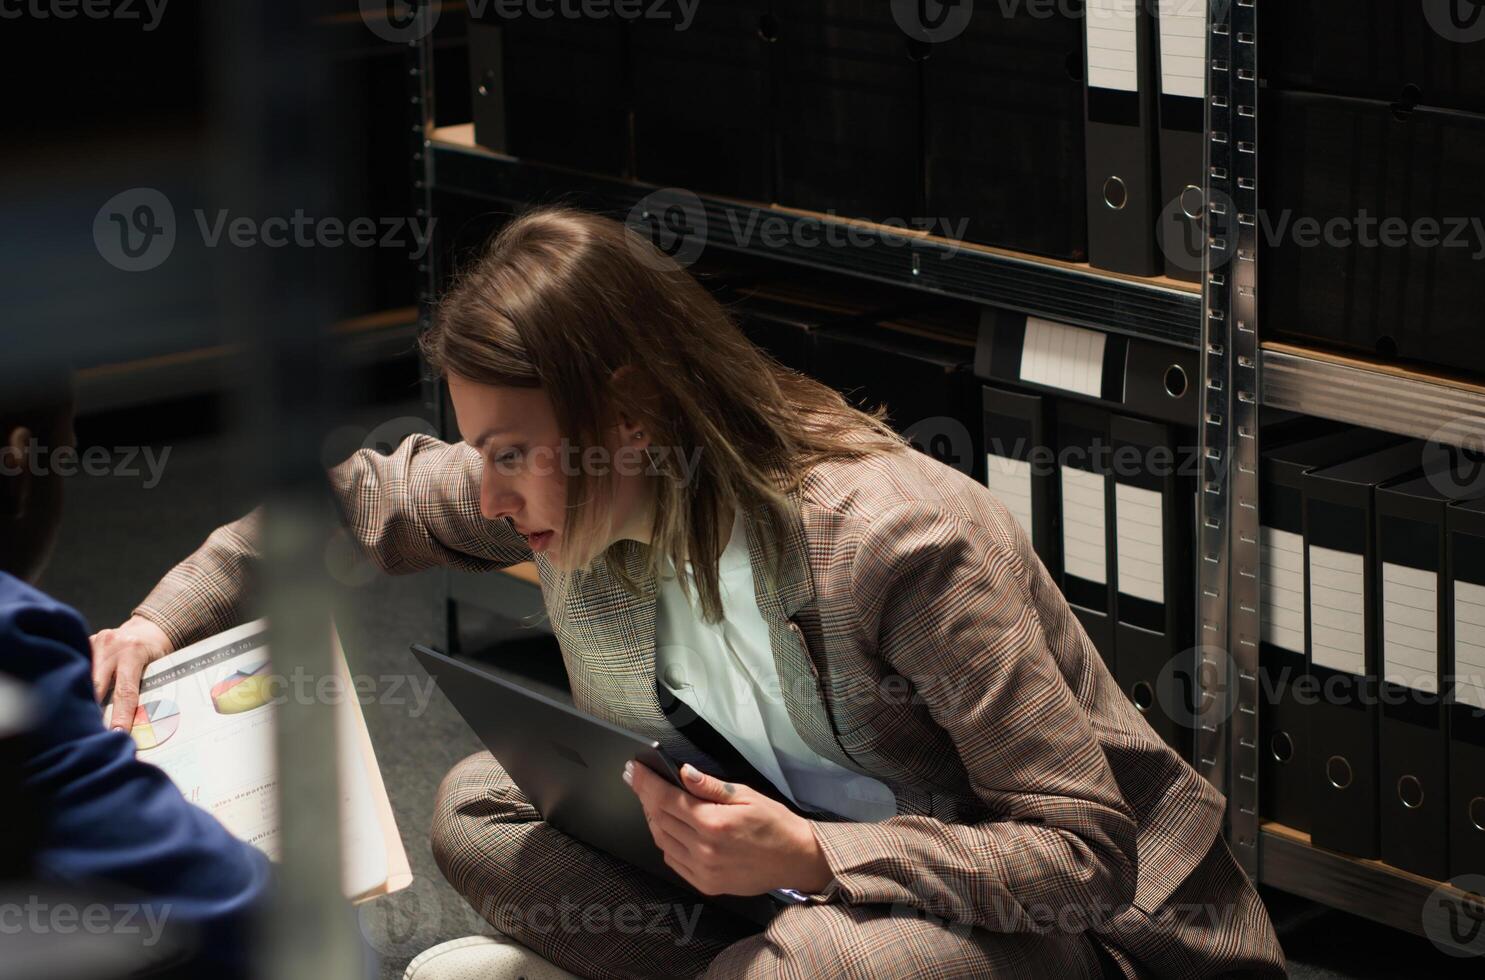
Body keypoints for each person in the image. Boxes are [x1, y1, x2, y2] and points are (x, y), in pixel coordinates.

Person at [92, 207, 1287, 979]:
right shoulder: (583, 488)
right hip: (773, 867)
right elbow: (359, 501)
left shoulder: (896, 538)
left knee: (828, 959)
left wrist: (816, 853)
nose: (490, 489)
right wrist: (156, 620)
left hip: (1058, 925)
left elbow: (1083, 851)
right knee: (475, 806)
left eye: (513, 448)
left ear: (628, 414)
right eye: (483, 449)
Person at [1, 370, 273, 976]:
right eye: (64, 457)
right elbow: (226, 911)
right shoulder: (14, 639)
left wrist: (156, 622)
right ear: (21, 467)